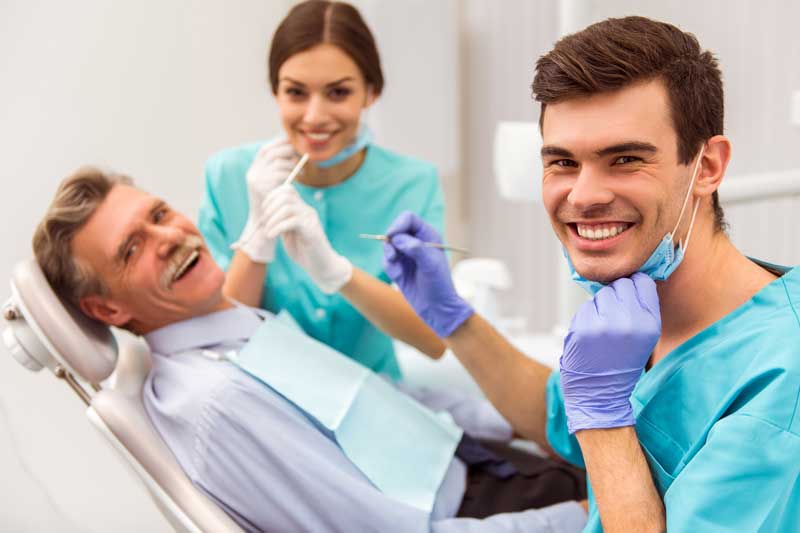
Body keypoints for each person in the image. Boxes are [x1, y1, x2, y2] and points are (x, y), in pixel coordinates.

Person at [380, 16, 800, 532]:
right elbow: (556, 419)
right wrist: (454, 319)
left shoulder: (781, 380)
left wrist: (604, 419)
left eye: (624, 159)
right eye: (562, 162)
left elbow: (592, 427)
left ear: (707, 166)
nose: (583, 196)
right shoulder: (646, 310)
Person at [32, 167, 588, 532]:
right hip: (480, 515)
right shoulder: (215, 403)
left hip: (479, 468)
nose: (170, 237)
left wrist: (531, 423)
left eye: (158, 215)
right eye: (132, 249)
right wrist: (581, 519)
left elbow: (378, 401)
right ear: (108, 311)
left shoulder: (237, 331)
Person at [198, 0, 446, 381]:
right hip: (264, 402)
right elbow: (220, 341)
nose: (314, 117)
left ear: (371, 92)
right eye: (296, 93)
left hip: (377, 405)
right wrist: (256, 240)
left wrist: (339, 273)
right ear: (276, 92)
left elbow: (434, 340)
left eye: (338, 93)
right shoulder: (228, 175)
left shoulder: (412, 184)